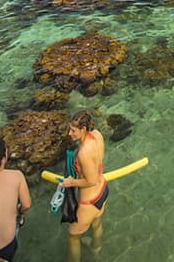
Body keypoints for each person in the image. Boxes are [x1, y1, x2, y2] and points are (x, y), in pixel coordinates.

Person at [60, 110, 107, 262]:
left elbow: (91, 180)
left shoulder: (83, 153)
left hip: (89, 203)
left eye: (73, 130)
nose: (69, 133)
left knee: (73, 236)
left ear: (83, 129)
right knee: (97, 223)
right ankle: (96, 248)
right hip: (103, 191)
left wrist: (71, 182)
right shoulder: (98, 135)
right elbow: (99, 162)